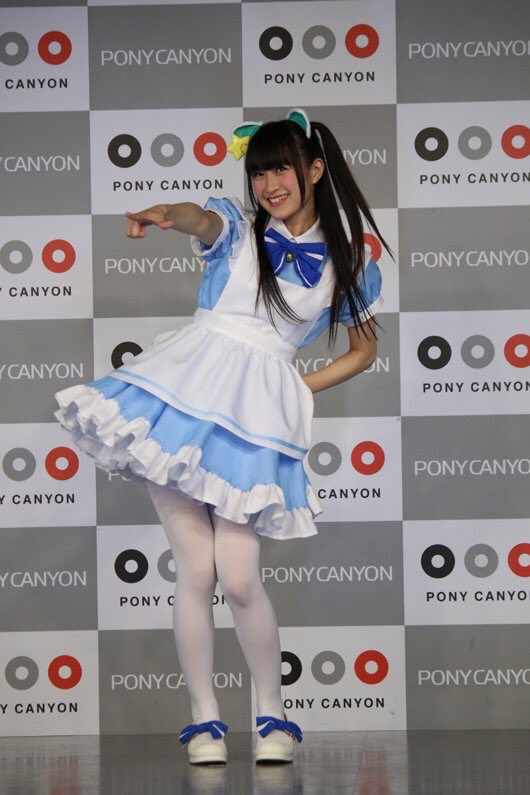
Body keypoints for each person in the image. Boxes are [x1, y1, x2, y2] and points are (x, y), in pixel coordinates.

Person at [54, 109, 388, 765]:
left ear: (315, 169)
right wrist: (166, 214)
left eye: (281, 168)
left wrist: (296, 388)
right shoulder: (237, 228)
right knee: (196, 568)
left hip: (253, 418)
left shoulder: (349, 259)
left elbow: (364, 350)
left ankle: (272, 715)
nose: (269, 184)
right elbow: (198, 219)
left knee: (238, 577)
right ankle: (204, 720)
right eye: (259, 172)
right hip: (181, 398)